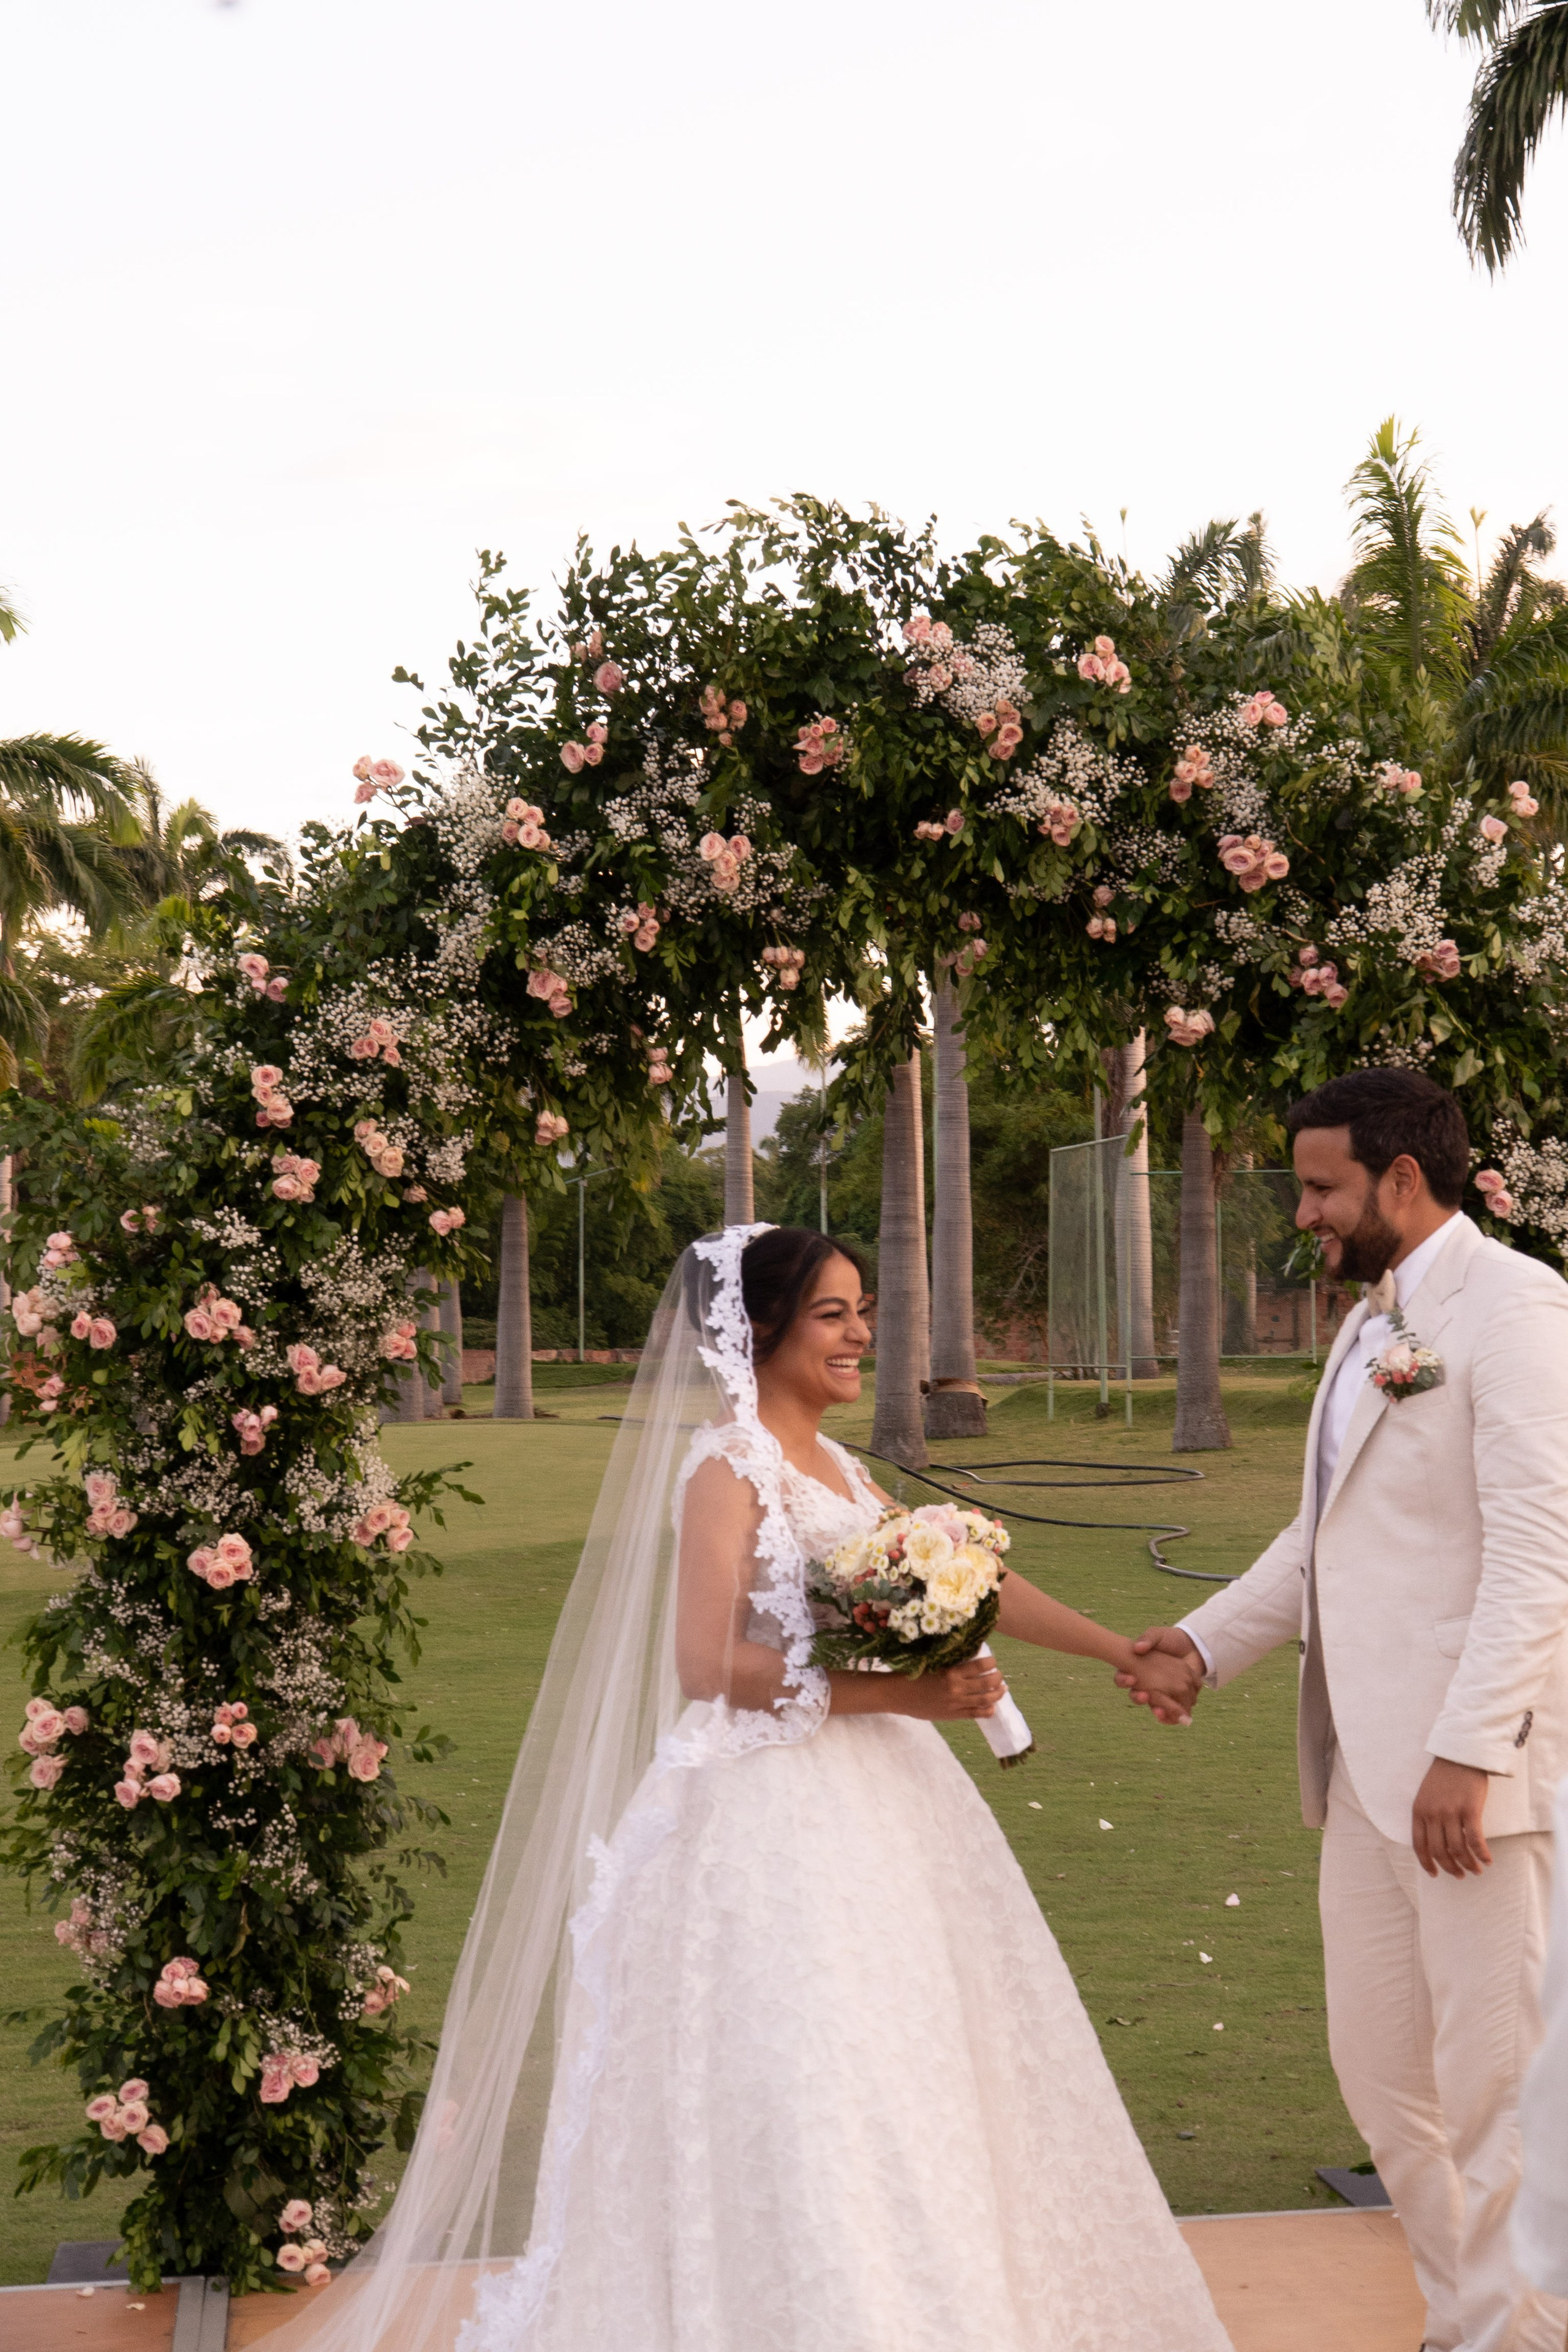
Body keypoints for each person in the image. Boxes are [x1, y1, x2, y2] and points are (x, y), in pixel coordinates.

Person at [268, 1223, 1230, 2352]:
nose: (860, 1334)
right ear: (759, 1329)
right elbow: (706, 1666)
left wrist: (1124, 1649)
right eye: (833, 1315)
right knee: (816, 2073)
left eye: (861, 1310)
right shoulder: (730, 1467)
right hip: (771, 1817)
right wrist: (900, 1699)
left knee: (914, 2064)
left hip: (893, 1811)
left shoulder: (844, 1468)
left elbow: (980, 1586)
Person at [1126, 1069, 1568, 2352]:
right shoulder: (1368, 1324)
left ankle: (1515, 2338)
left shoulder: (1520, 1312)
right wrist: (1202, 1645)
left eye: (1321, 1187)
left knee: (1494, 2094)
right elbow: (1318, 1538)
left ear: (1401, 1179)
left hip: (1471, 1785)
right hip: (1365, 1778)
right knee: (1386, 2090)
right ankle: (1467, 2321)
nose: (1304, 1213)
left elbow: (1539, 1557)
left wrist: (1468, 1751)